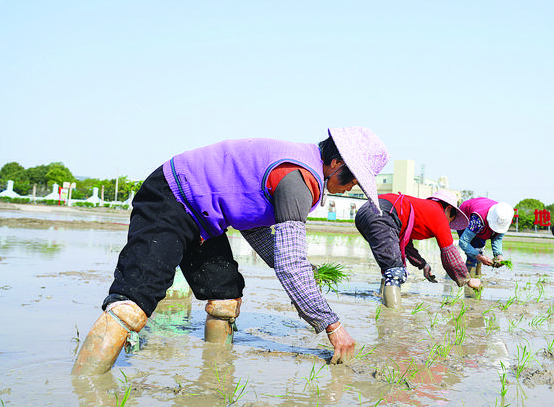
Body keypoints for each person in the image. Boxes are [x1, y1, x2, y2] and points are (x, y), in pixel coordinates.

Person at [71, 126, 389, 376]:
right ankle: (83, 387)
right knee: (134, 302)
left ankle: (215, 377)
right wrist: (331, 324)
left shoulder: (297, 168)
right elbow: (291, 264)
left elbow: (254, 227)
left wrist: (304, 280)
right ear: (336, 163)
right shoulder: (298, 179)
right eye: (353, 180)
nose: (351, 189)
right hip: (172, 195)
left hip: (203, 219)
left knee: (225, 298)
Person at [354, 189, 480, 309]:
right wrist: (468, 279)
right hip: (384, 214)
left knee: (390, 263)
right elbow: (450, 253)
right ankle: (392, 318)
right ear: (448, 209)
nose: (448, 224)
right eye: (451, 218)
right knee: (395, 272)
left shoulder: (422, 209)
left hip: (365, 212)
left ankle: (383, 302)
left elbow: (405, 245)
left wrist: (423, 265)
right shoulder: (438, 214)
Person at [457, 198, 514, 275]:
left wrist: (499, 255)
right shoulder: (478, 220)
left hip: (481, 221)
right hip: (465, 216)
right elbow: (463, 242)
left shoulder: (504, 218)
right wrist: (479, 256)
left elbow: (497, 238)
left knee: (480, 249)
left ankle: (477, 276)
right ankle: (469, 280)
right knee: (473, 253)